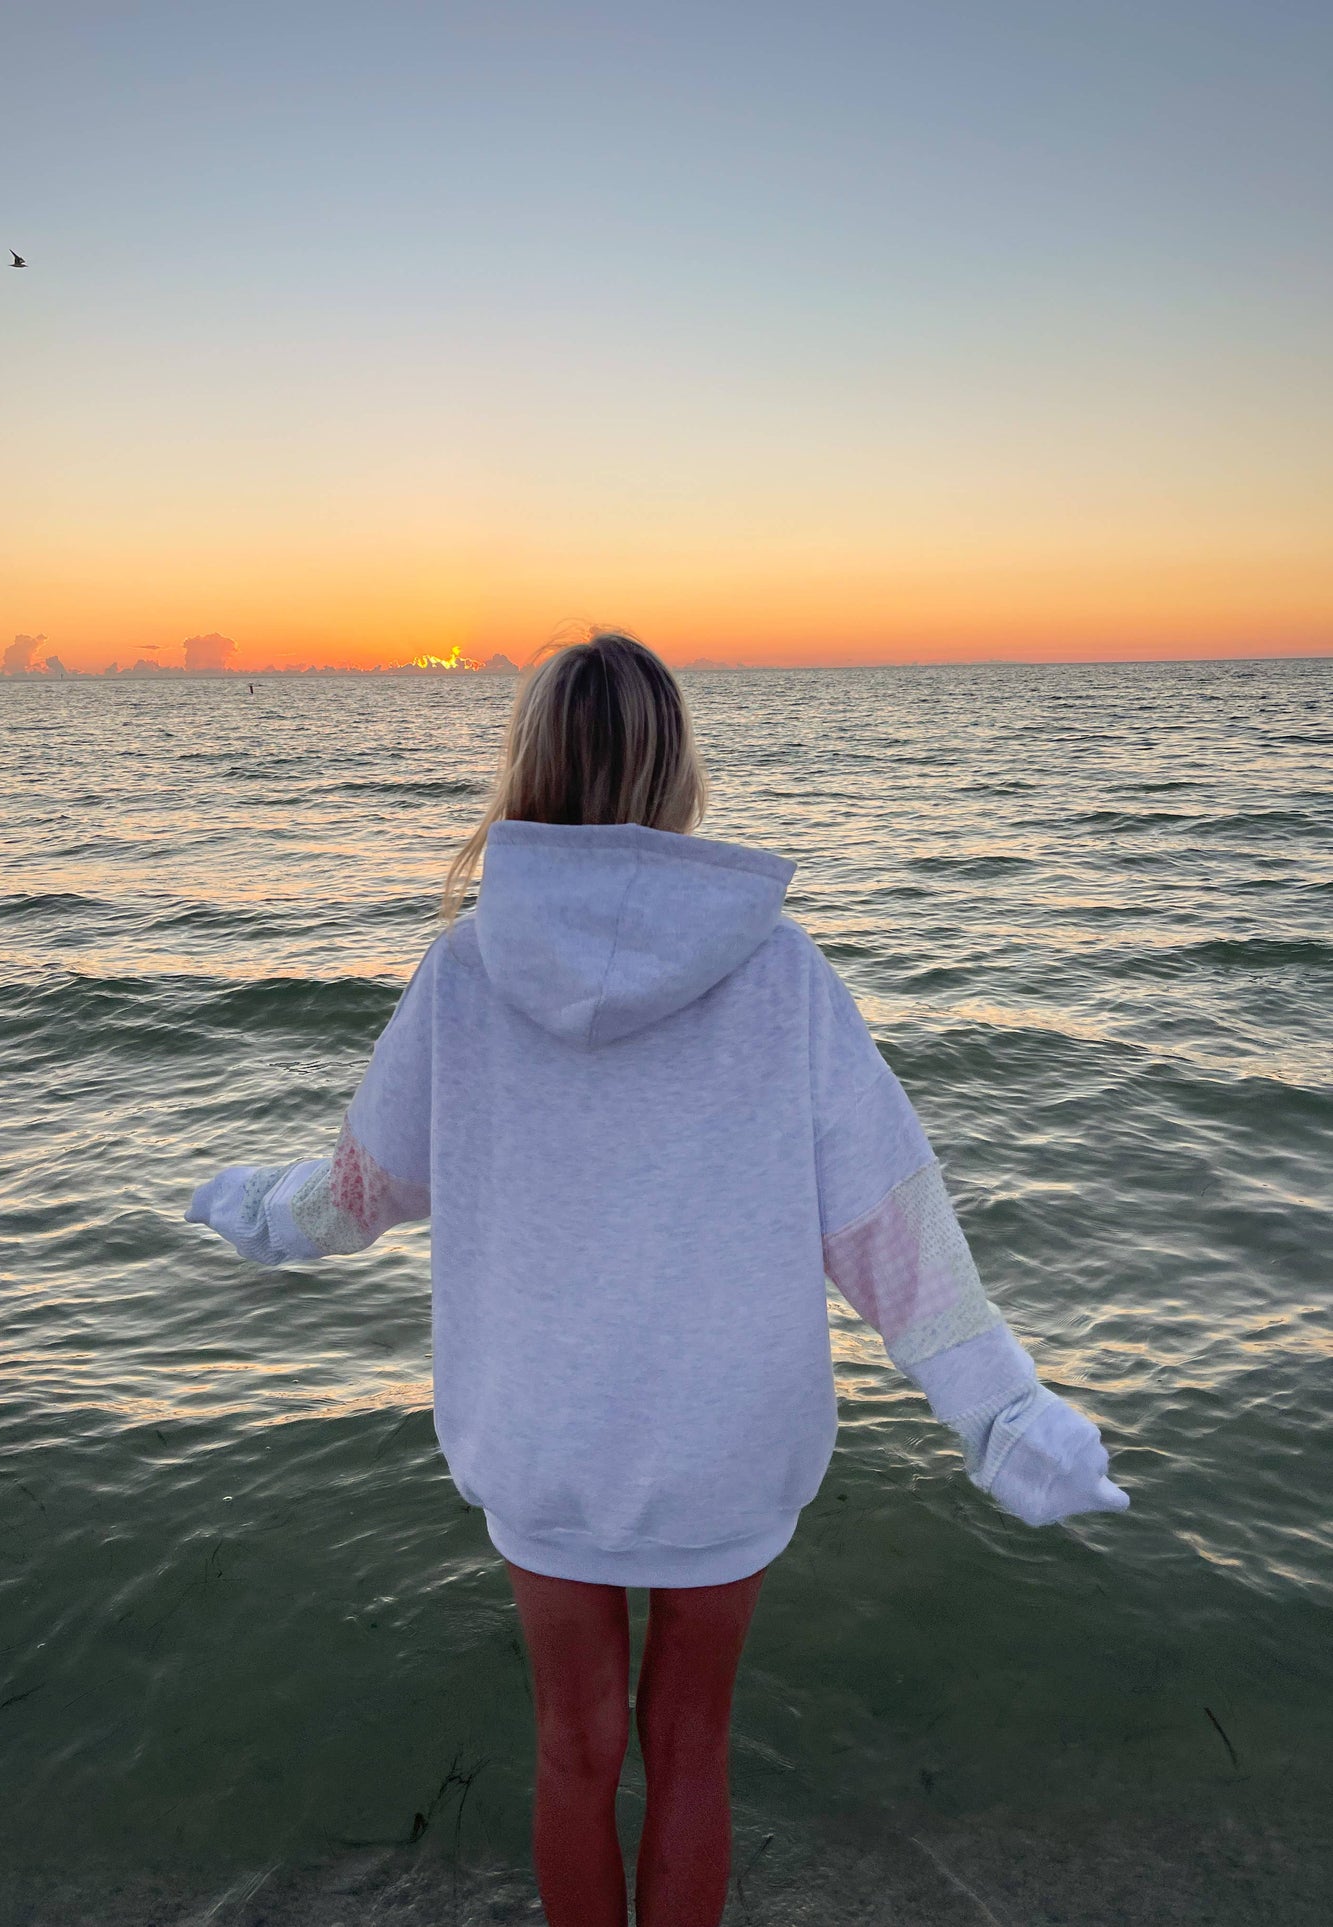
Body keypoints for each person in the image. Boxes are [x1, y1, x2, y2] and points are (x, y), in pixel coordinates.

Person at [186, 630, 1130, 1926]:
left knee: (572, 1749)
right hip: (726, 1434)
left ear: (528, 768)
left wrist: (253, 1211)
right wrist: (1001, 1411)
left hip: (542, 1430)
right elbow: (888, 1227)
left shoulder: (467, 970)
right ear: (678, 774)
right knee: (691, 1747)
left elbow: (362, 1193)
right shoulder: (779, 972)